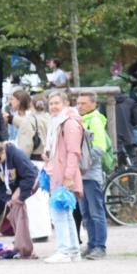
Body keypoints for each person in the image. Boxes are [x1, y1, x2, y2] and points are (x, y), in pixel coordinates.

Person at [43, 91, 84, 263]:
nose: (53, 106)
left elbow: (73, 151)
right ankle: (73, 250)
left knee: (59, 213)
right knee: (65, 212)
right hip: (56, 171)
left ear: (66, 103)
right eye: (51, 103)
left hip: (64, 173)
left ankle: (64, 250)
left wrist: (68, 175)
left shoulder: (69, 123)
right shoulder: (56, 122)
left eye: (57, 103)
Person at [75, 93, 109, 260]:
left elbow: (100, 147)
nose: (80, 106)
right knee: (86, 213)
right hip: (80, 176)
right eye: (78, 103)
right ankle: (91, 243)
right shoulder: (80, 119)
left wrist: (81, 162)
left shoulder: (95, 120)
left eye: (83, 103)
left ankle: (100, 246)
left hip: (91, 174)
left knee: (96, 212)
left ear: (93, 104)